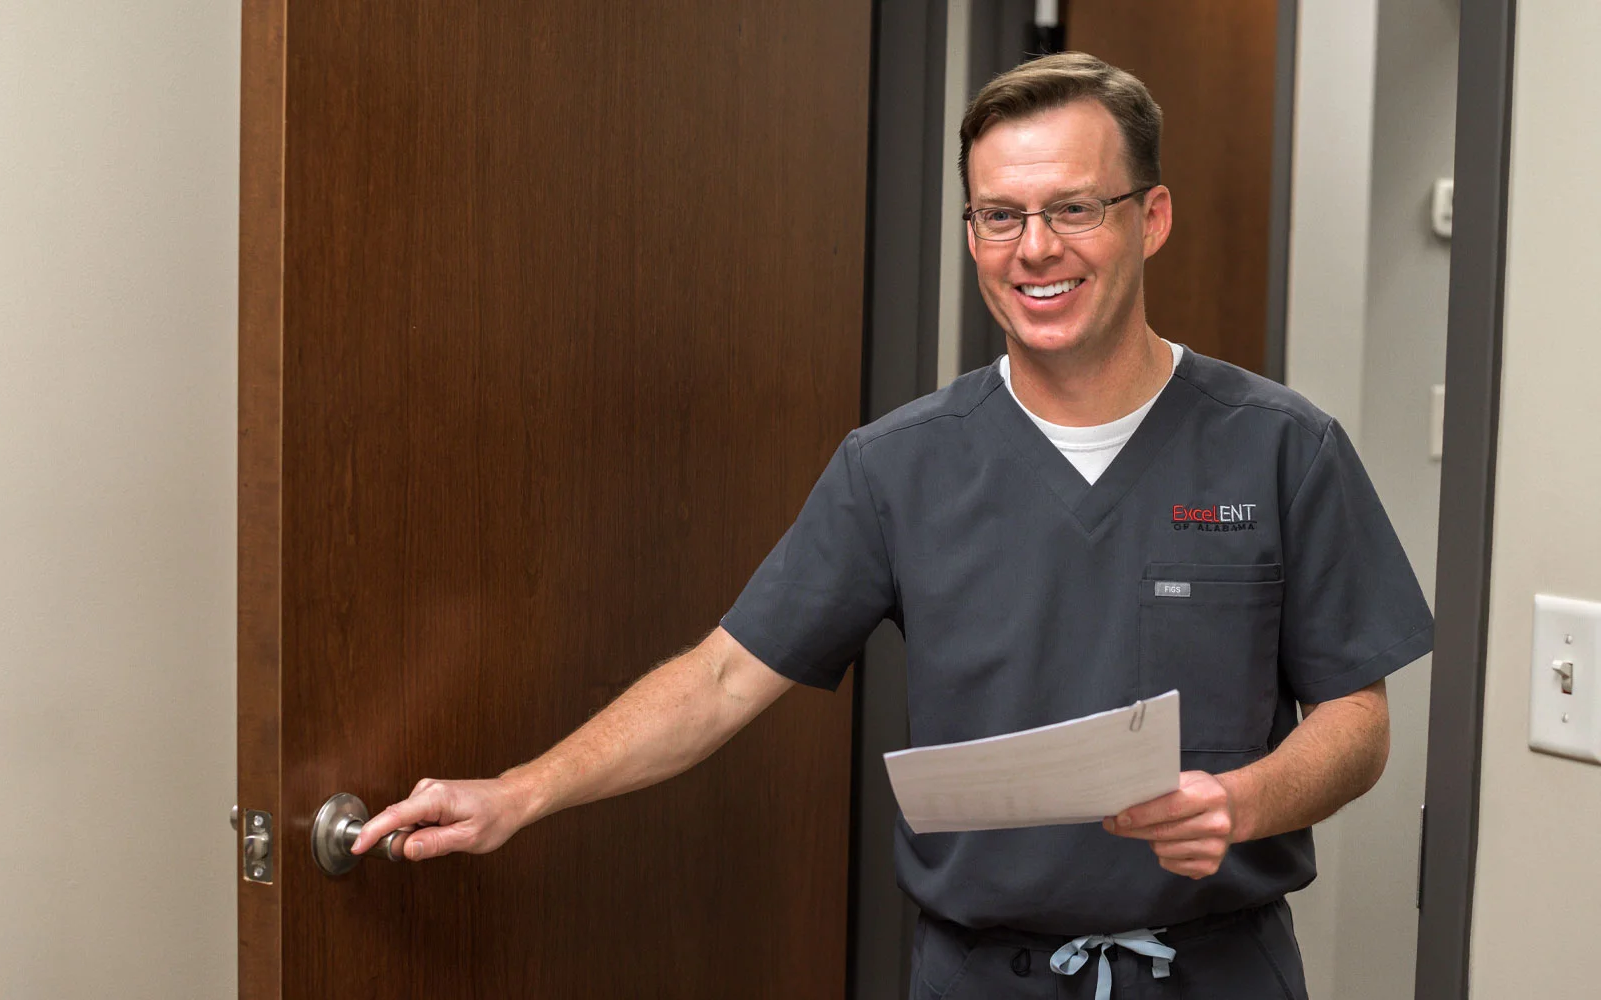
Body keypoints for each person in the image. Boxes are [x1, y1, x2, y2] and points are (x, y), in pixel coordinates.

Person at [351, 52, 1431, 1000]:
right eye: (998, 215)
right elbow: (723, 677)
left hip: (1215, 969)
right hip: (980, 974)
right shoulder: (896, 466)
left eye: (1072, 208)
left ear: (1147, 217)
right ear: (970, 230)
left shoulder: (1281, 446)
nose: (1033, 249)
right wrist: (518, 792)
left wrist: (1242, 801)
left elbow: (1355, 718)